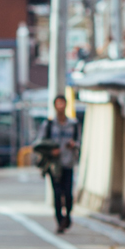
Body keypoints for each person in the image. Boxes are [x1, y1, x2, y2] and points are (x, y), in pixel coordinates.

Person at [35, 95, 80, 232]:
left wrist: (74, 144)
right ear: (54, 106)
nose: (60, 106)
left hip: (68, 163)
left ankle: (68, 216)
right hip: (54, 165)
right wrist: (51, 151)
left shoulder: (73, 124)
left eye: (63, 103)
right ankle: (60, 220)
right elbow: (39, 143)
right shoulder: (48, 125)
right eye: (58, 104)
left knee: (68, 194)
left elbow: (79, 141)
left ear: (66, 105)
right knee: (57, 193)